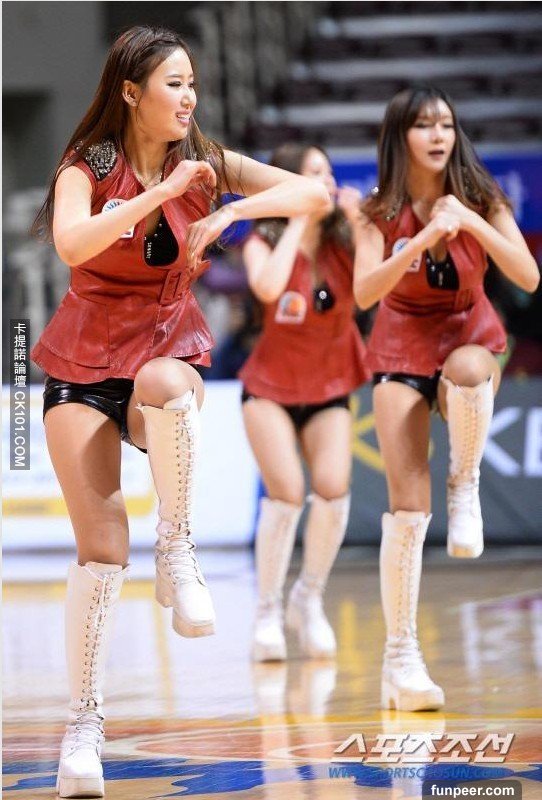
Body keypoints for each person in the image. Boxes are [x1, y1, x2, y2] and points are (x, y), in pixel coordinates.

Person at [30, 27, 329, 799]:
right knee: (101, 551)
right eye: (175, 83)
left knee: (168, 387)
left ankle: (178, 545)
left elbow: (313, 195)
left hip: (161, 352)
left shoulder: (206, 161)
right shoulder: (88, 165)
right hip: (81, 361)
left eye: (193, 82)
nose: (190, 97)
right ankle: (83, 728)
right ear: (131, 92)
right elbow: (72, 244)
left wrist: (232, 212)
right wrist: (159, 195)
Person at [353, 85, 539, 711]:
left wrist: (471, 223)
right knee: (407, 509)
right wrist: (419, 238)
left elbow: (528, 275)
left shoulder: (482, 196)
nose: (438, 135)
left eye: (447, 124)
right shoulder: (375, 210)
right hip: (400, 341)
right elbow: (364, 292)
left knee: (468, 371)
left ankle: (466, 481)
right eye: (424, 125)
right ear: (399, 136)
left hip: (466, 332)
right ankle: (400, 659)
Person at [238, 143, 371, 663]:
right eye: (315, 174)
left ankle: (308, 597)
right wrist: (296, 216)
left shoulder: (346, 240)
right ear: (290, 182)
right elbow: (268, 289)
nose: (329, 182)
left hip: (330, 384)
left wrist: (360, 224)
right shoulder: (263, 239)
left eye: (330, 173)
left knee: (333, 489)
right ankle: (266, 610)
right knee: (288, 493)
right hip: (269, 387)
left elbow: (372, 292)